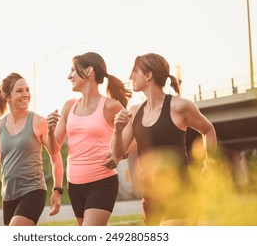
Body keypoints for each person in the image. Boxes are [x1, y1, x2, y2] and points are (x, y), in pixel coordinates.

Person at [104, 53, 217, 226]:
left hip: (181, 192)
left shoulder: (179, 106)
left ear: (148, 75)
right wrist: (117, 131)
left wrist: (210, 163)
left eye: (135, 71)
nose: (131, 76)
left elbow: (208, 129)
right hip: (150, 197)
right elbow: (118, 153)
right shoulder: (134, 112)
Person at [0, 72, 63, 226]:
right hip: (8, 197)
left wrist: (57, 190)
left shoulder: (38, 122)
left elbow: (56, 157)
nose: (26, 94)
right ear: (6, 96)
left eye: (27, 90)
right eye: (19, 91)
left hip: (33, 191)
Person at [46, 52, 132, 226]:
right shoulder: (69, 106)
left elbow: (131, 139)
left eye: (73, 70)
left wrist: (118, 155)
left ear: (89, 71)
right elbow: (54, 149)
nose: (69, 76)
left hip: (102, 182)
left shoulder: (111, 106)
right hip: (75, 185)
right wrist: (49, 130)